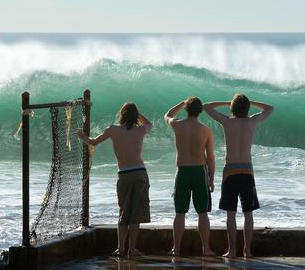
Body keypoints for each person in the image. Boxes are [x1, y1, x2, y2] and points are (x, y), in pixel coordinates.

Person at [76, 102, 152, 257]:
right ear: (135, 116)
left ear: (121, 114)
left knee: (124, 212)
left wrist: (82, 136)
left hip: (124, 174)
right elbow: (149, 123)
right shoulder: (140, 130)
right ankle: (132, 249)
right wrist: (138, 115)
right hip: (139, 173)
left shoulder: (113, 130)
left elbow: (94, 142)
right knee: (135, 213)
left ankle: (121, 249)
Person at [203, 94, 274, 258]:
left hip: (231, 171)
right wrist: (252, 102)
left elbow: (207, 106)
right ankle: (247, 251)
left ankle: (232, 251)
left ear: (232, 108)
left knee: (231, 214)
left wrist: (226, 102)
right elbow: (270, 108)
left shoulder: (228, 122)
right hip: (247, 170)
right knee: (248, 213)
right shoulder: (252, 121)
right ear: (247, 108)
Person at [164, 97, 216, 257]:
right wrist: (211, 179)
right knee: (202, 212)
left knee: (180, 212)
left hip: (183, 171)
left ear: (186, 109)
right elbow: (211, 158)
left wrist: (181, 102)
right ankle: (206, 249)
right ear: (200, 111)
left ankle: (176, 248)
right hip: (199, 171)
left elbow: (167, 115)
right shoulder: (206, 129)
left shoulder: (177, 125)